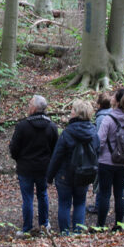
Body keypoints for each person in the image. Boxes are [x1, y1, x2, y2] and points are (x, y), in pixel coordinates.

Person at [46, 100, 99, 234]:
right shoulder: (94, 132)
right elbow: (98, 151)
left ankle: (64, 233)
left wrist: (49, 176)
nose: (71, 112)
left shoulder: (67, 133)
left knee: (64, 203)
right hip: (85, 173)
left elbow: (57, 156)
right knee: (80, 203)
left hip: (65, 175)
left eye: (73, 110)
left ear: (77, 114)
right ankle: (78, 233)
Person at [9, 95, 58, 236]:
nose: (28, 106)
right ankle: (44, 225)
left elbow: (14, 148)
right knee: (43, 195)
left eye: (30, 104)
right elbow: (55, 149)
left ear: (35, 108)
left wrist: (19, 159)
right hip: (43, 168)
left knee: (28, 198)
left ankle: (27, 229)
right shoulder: (52, 126)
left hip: (26, 168)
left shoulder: (22, 126)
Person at [97, 89, 124, 231]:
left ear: (116, 100)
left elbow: (100, 142)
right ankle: (118, 224)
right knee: (120, 193)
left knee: (104, 193)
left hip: (106, 162)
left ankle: (101, 225)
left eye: (114, 95)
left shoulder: (108, 119)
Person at [87, 93, 112, 215]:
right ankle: (100, 204)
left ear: (99, 104)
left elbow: (98, 138)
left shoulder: (101, 117)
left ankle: (98, 206)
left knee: (100, 181)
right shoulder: (113, 114)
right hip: (112, 153)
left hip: (103, 154)